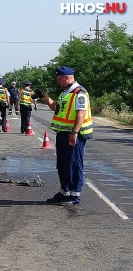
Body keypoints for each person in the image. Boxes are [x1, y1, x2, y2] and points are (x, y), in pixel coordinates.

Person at [34, 66, 93, 205]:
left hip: (74, 135)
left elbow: (81, 113)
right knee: (63, 165)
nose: (58, 83)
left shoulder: (80, 93)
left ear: (66, 78)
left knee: (73, 165)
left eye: (59, 80)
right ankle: (64, 192)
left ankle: (74, 196)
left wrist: (74, 132)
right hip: (63, 134)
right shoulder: (66, 93)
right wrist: (46, 98)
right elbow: (56, 107)